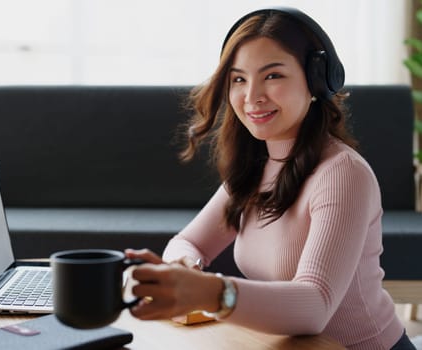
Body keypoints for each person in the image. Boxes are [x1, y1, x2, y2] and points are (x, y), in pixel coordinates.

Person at [124, 7, 417, 350]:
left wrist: (209, 291)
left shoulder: (342, 174)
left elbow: (314, 306)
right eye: (238, 79)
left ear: (316, 80)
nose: (251, 97)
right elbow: (190, 243)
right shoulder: (256, 166)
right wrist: (183, 268)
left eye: (273, 76)